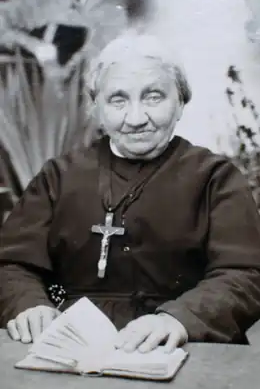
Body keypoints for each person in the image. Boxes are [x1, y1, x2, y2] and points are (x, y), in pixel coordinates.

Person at [1, 33, 260, 354]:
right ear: (96, 108)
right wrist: (30, 305)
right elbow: (11, 264)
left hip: (182, 344)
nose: (136, 118)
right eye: (118, 100)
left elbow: (245, 274)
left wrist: (179, 319)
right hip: (70, 345)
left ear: (180, 102)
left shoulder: (215, 177)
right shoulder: (60, 175)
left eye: (153, 97)